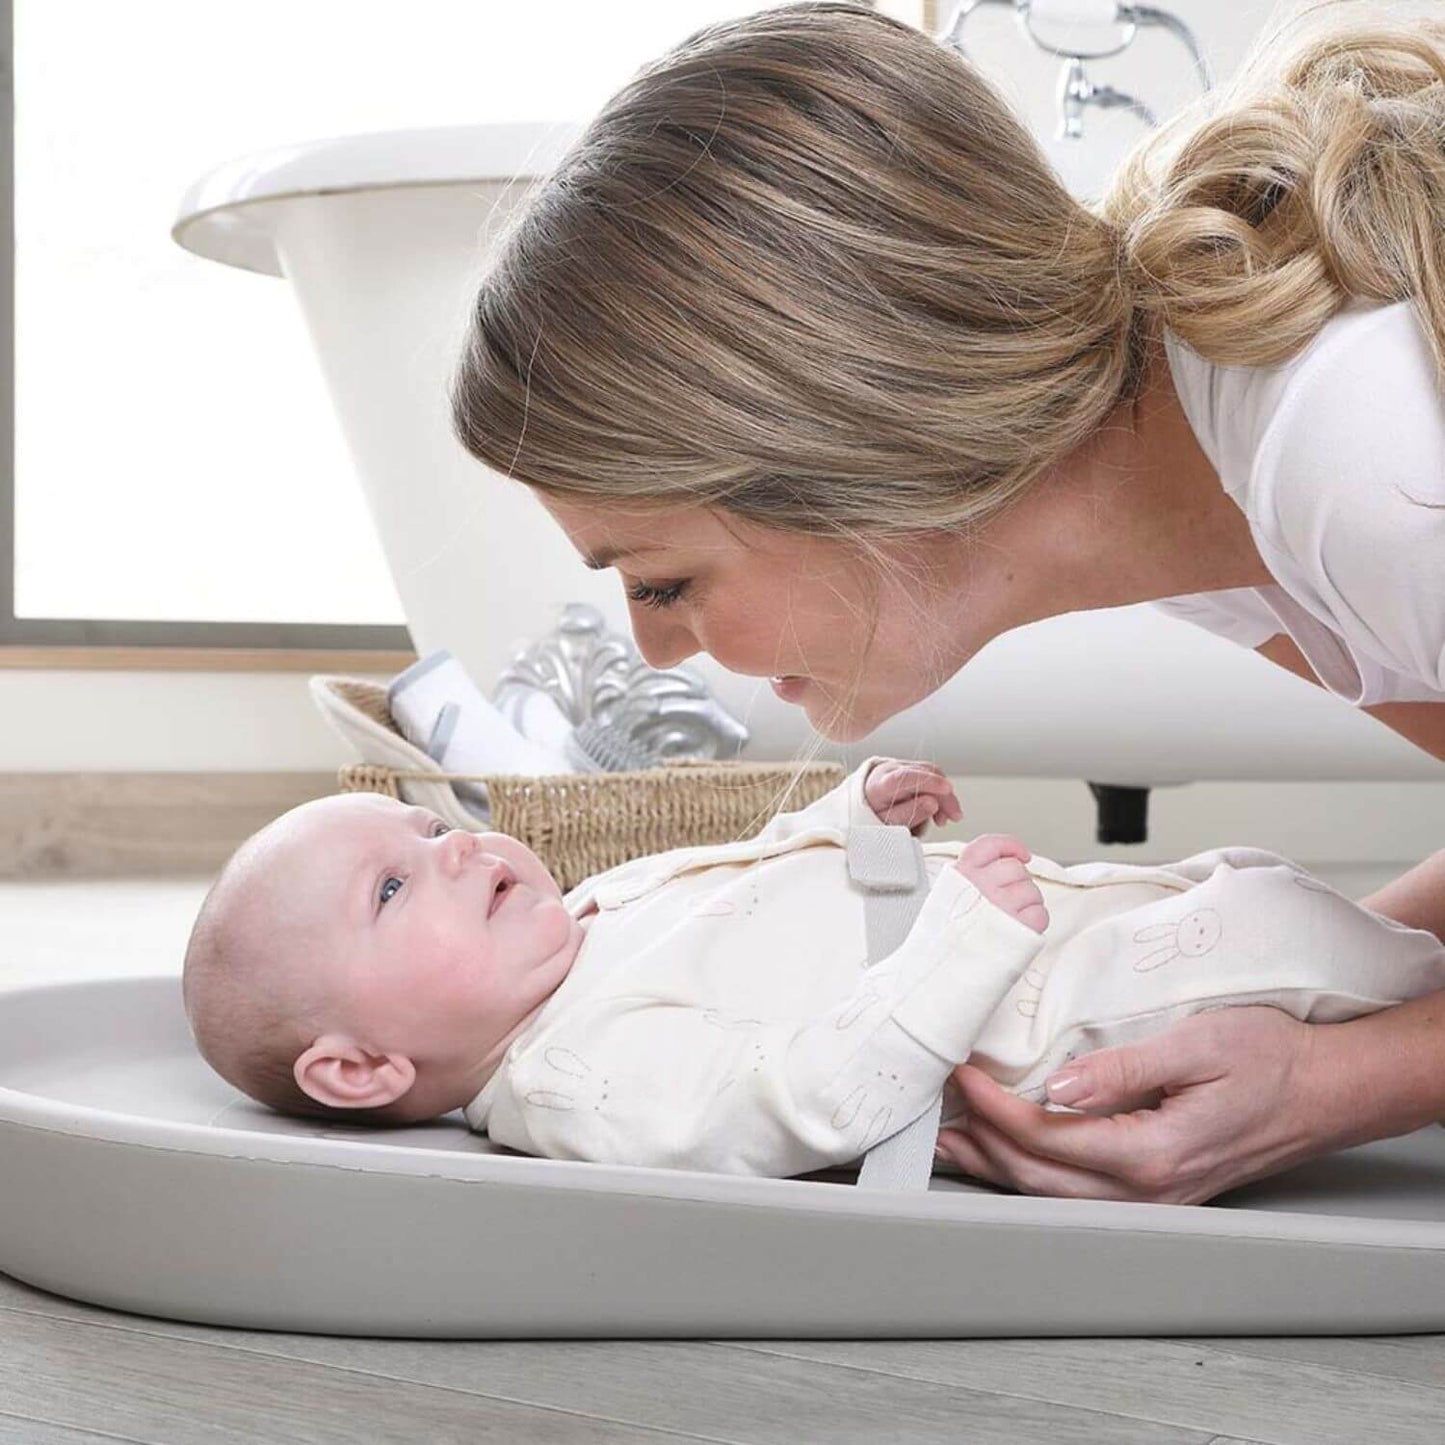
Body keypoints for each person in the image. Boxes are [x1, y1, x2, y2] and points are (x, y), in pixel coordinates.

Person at [445, 1, 1445, 1202]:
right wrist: (1229, 996)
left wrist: (1333, 1084)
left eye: (663, 579)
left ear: (850, 453)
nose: (653, 647)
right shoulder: (1191, 483)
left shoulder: (1368, 461)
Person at [182, 756, 1445, 1180]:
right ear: (360, 1066)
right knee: (1357, 959)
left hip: (1092, 925)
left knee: (1347, 937)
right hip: (1085, 1018)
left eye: (429, 827)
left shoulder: (581, 919)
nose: (453, 849)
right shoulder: (576, 1077)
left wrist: (850, 816)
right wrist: (956, 940)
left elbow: (752, 875)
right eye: (394, 887)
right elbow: (812, 1096)